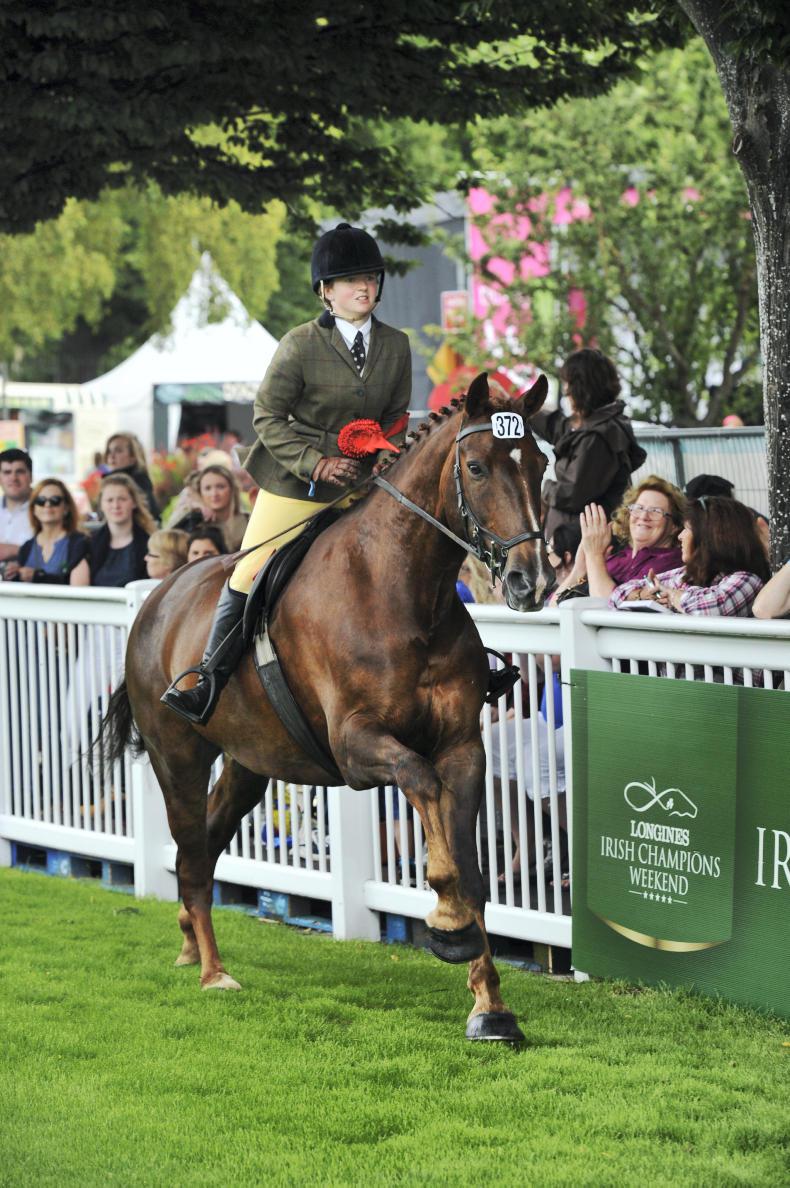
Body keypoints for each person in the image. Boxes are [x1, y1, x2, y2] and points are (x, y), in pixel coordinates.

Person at [163, 220, 411, 724]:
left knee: (414, 550)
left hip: (367, 480)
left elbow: (397, 417)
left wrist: (388, 452)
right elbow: (266, 418)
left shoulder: (397, 345)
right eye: (350, 280)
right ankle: (208, 677)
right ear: (326, 291)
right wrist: (314, 461)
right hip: (299, 481)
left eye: (371, 277)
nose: (365, 287)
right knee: (250, 570)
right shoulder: (299, 344)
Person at [532, 348, 647, 541]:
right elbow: (560, 429)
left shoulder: (599, 437)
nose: (566, 391)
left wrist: (545, 489)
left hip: (581, 544)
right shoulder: (599, 423)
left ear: (580, 388)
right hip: (573, 541)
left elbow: (572, 494)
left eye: (568, 384)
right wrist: (517, 406)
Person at [609, 495, 769, 615]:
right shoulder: (684, 575)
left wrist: (669, 594)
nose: (680, 536)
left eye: (687, 529)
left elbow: (710, 608)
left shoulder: (747, 580)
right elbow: (618, 594)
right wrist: (642, 595)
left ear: (709, 537)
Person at [555, 476, 685, 601]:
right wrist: (579, 569)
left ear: (674, 526)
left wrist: (594, 556)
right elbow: (553, 605)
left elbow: (609, 607)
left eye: (656, 511)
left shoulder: (673, 563)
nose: (644, 516)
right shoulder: (616, 558)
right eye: (639, 508)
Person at [15, 478, 90, 585]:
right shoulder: (26, 548)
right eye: (41, 501)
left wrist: (38, 577)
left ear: (66, 508)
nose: (47, 505)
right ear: (33, 509)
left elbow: (79, 591)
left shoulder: (79, 543)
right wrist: (13, 574)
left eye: (55, 500)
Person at [89, 473, 157, 587]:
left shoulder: (150, 543)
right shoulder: (89, 543)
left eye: (122, 499)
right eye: (109, 500)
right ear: (101, 505)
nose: (116, 505)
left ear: (134, 502)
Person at [168, 464, 249, 551]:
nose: (214, 494)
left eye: (220, 487)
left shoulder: (248, 521)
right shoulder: (193, 522)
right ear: (200, 492)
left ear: (232, 489)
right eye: (207, 488)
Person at [104, 433, 160, 520]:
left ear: (133, 457)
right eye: (109, 451)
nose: (111, 456)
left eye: (118, 451)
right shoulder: (109, 481)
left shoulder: (138, 482)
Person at [0, 448, 33, 580]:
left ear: (31, 476)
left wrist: (15, 550)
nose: (13, 478)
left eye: (19, 472)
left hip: (31, 589)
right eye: (7, 472)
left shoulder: (46, 509)